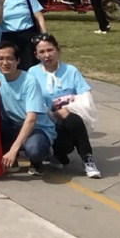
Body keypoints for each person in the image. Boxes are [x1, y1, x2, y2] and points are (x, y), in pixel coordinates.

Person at [30, 33, 101, 178]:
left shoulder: (71, 70)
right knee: (51, 142)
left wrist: (67, 109)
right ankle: (53, 155)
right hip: (46, 121)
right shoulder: (32, 73)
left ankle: (87, 158)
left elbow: (85, 96)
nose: (47, 55)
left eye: (50, 50)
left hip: (70, 120)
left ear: (58, 50)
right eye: (42, 52)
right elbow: (32, 99)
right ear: (36, 55)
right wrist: (51, 114)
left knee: (74, 120)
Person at [0, 39, 53, 173]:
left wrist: (13, 150)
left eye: (9, 59)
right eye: (0, 59)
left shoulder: (29, 81)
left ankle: (38, 158)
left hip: (36, 127)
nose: (5, 63)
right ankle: (10, 155)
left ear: (18, 60)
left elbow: (31, 119)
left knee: (34, 150)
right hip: (12, 124)